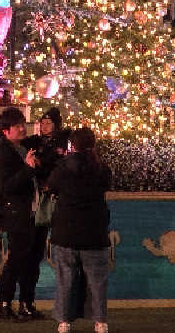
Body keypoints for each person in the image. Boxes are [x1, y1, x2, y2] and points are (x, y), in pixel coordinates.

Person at [47, 126, 112, 333]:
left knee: (65, 278)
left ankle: (64, 322)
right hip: (94, 232)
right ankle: (100, 322)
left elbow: (51, 186)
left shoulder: (63, 167)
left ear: (72, 146)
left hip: (66, 232)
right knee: (97, 280)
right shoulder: (102, 168)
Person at [0, 105, 39, 321]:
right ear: (5, 131)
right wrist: (28, 169)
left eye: (22, 124)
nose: (22, 128)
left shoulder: (21, 148)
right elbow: (6, 187)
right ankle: (5, 304)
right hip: (15, 214)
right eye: (17, 126)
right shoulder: (3, 154)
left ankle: (26, 304)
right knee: (16, 260)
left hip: (30, 212)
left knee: (30, 260)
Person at [22, 107, 70, 316]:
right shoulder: (34, 142)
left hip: (55, 203)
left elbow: (59, 168)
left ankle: (65, 305)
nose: (44, 126)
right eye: (42, 122)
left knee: (59, 253)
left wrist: (42, 165)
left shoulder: (62, 144)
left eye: (49, 123)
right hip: (36, 203)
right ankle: (26, 301)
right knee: (32, 252)